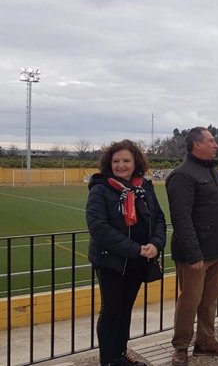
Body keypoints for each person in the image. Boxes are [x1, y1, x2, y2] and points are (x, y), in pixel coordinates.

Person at [86, 139, 166, 366]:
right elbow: (98, 228)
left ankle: (119, 354)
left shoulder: (144, 187)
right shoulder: (100, 189)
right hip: (111, 261)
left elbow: (158, 218)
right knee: (111, 311)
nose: (121, 165)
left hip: (138, 261)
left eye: (126, 161)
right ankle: (108, 360)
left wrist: (156, 244)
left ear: (135, 163)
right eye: (116, 161)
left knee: (125, 309)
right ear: (108, 163)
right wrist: (134, 248)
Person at [166, 127, 218, 366]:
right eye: (211, 140)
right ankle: (181, 347)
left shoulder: (213, 169)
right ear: (197, 144)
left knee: (209, 301)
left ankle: (206, 342)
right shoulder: (182, 175)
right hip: (195, 255)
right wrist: (194, 253)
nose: (216, 145)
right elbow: (181, 218)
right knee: (190, 301)